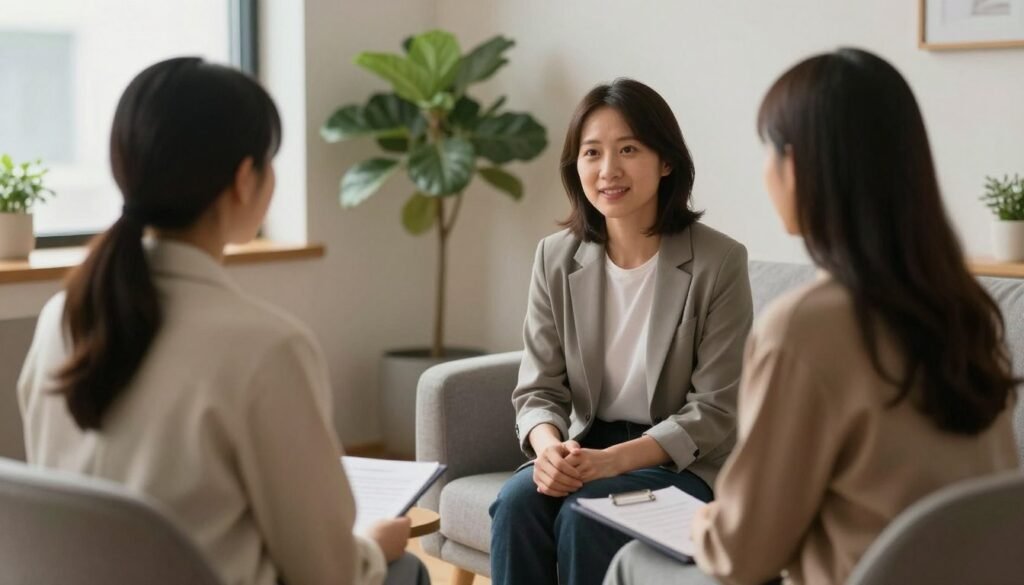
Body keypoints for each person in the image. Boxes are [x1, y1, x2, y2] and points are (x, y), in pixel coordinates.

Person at [604, 48, 1020, 585]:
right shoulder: (968, 311)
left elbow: (742, 556)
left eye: (769, 151)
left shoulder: (806, 329)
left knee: (632, 565)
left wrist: (708, 520)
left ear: (799, 166)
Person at [17, 57, 429, 585]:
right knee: (406, 569)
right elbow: (326, 573)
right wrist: (370, 546)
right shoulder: (266, 347)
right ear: (243, 178)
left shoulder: (62, 319)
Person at [488, 78, 754, 585]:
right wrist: (549, 453)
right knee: (518, 503)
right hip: (584, 445)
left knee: (586, 516)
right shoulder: (555, 257)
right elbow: (538, 388)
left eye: (628, 149)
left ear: (666, 161)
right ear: (577, 167)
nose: (608, 169)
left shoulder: (719, 262)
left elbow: (716, 408)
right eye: (592, 153)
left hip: (679, 461)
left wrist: (613, 462)